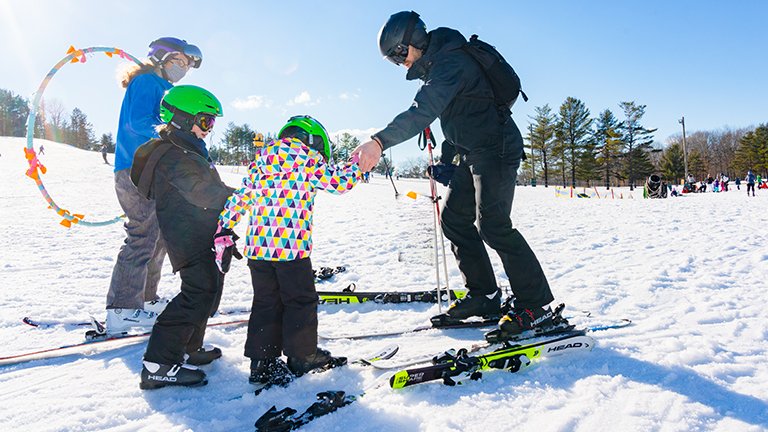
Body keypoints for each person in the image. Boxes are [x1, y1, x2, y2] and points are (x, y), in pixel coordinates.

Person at [352, 11, 563, 338]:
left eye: (398, 53)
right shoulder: (438, 66)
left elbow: (422, 111)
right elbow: (457, 117)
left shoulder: (450, 64)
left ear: (416, 42)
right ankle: (485, 296)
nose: (399, 63)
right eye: (392, 59)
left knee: (493, 225)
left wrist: (379, 142)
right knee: (453, 219)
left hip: (497, 147)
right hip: (473, 151)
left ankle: (537, 307)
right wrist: (448, 160)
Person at [216, 115, 360, 387]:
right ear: (313, 141)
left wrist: (225, 227)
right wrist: (356, 164)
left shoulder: (261, 160)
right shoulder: (307, 158)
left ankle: (262, 362)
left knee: (266, 302)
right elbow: (340, 183)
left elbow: (242, 196)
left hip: (258, 248)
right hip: (290, 248)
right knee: (300, 301)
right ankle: (302, 356)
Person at [131, 84, 233, 390]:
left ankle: (189, 346)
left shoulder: (188, 149)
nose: (209, 129)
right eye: (206, 121)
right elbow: (200, 191)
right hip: (185, 233)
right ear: (182, 118)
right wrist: (240, 197)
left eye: (212, 122)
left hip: (203, 230)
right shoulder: (172, 153)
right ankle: (158, 364)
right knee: (198, 290)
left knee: (210, 288)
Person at [106, 37, 202, 336]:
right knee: (142, 235)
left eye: (187, 65)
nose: (183, 69)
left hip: (153, 171)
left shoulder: (166, 89)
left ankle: (144, 301)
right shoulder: (148, 82)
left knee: (158, 237)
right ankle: (122, 309)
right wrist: (175, 135)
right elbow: (139, 123)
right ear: (162, 58)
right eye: (179, 62)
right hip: (136, 170)